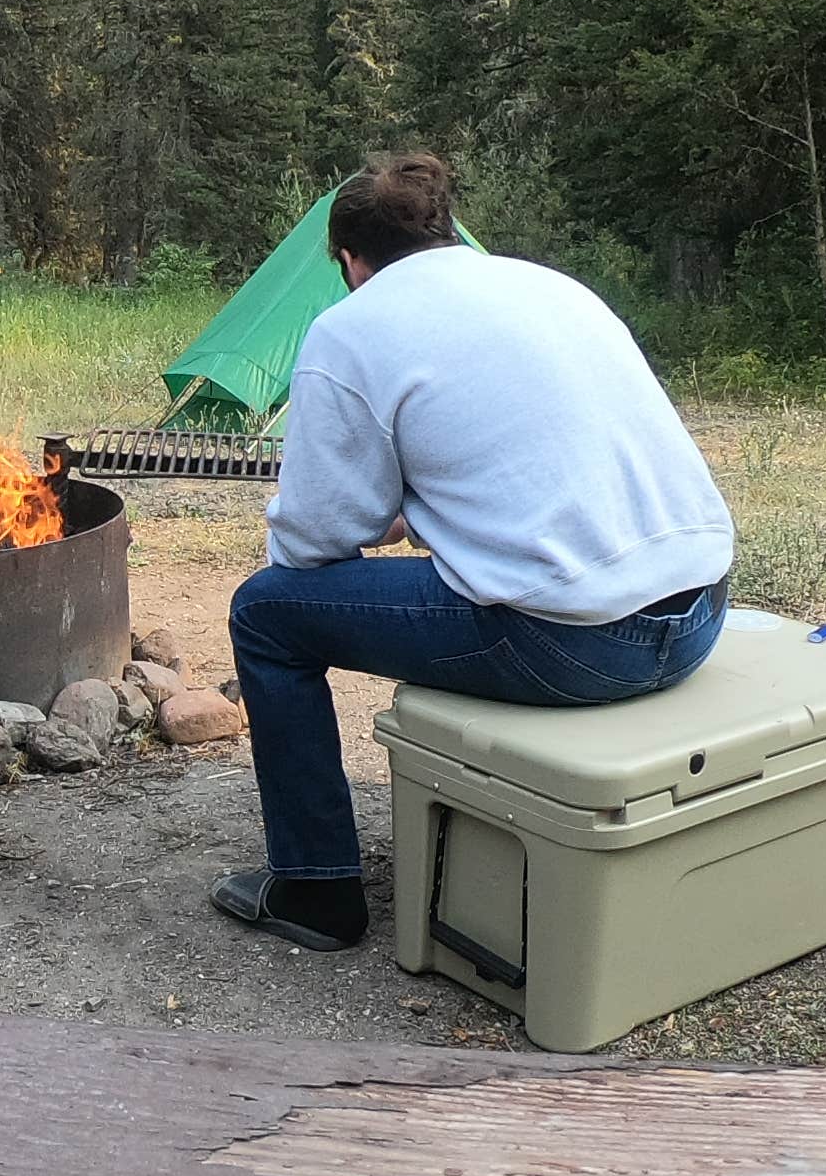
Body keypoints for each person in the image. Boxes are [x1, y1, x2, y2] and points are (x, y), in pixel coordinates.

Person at [213, 154, 735, 952]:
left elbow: (312, 540)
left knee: (266, 614)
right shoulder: (552, 288)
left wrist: (367, 516)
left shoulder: (350, 328)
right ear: (447, 230)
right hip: (699, 613)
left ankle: (315, 892)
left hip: (577, 643)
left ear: (350, 261)